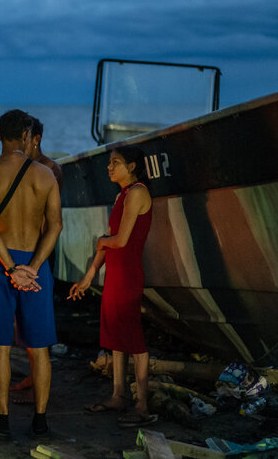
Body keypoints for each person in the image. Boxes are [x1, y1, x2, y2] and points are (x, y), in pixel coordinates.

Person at [0, 109, 62, 439]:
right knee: (39, 350)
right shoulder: (46, 175)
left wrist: (11, 268)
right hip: (36, 267)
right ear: (27, 136)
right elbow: (55, 226)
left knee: (1, 347)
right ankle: (40, 422)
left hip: (2, 263)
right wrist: (34, 268)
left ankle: (2, 421)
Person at [68, 145, 156, 427]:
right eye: (109, 163)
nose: (109, 167)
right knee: (116, 338)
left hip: (128, 274)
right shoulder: (122, 195)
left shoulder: (138, 192)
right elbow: (110, 242)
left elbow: (119, 241)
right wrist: (88, 276)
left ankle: (142, 405)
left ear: (131, 166)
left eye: (115, 162)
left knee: (133, 339)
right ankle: (118, 395)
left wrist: (101, 241)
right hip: (115, 275)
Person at [10, 116, 65, 397]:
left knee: (37, 324)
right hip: (21, 252)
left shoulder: (49, 169)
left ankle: (38, 381)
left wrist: (35, 262)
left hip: (39, 254)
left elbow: (50, 221)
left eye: (24, 137)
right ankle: (34, 376)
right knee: (24, 323)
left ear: (35, 139)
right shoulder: (23, 167)